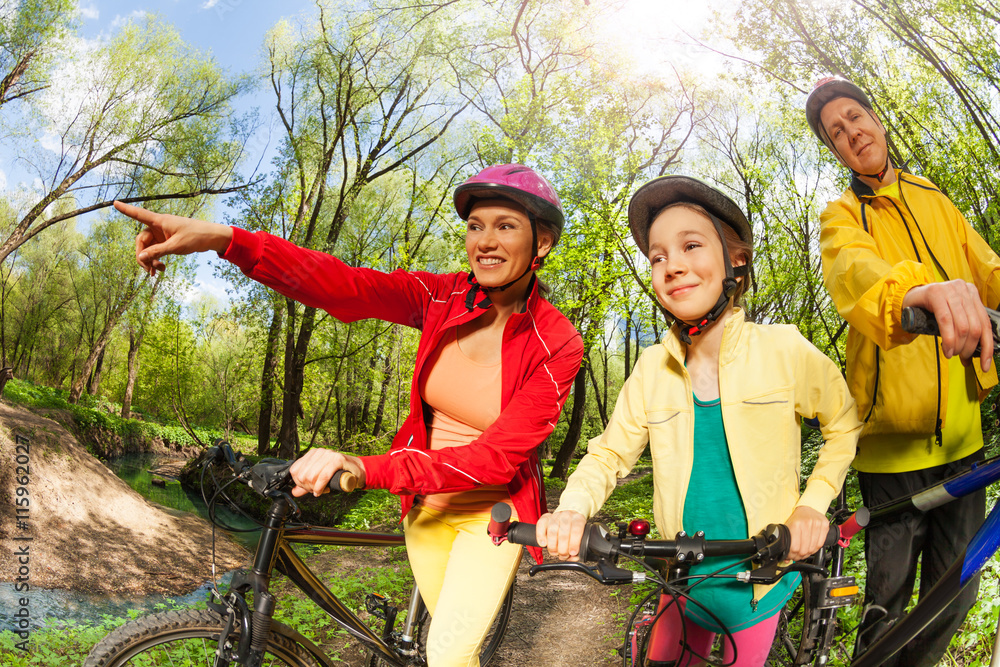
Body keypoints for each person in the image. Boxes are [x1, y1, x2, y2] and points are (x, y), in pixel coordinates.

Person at [116, 164, 584, 667]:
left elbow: (495, 459)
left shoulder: (558, 342)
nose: (485, 241)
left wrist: (366, 466)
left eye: (506, 226)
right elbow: (343, 286)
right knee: (426, 652)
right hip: (425, 508)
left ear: (542, 243)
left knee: (448, 655)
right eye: (476, 226)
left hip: (493, 517)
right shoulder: (440, 297)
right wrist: (226, 240)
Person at [535, 175, 860, 666]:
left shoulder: (785, 350)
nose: (673, 266)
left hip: (759, 586)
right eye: (658, 257)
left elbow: (844, 422)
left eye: (691, 245)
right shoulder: (650, 369)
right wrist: (572, 509)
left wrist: (814, 505)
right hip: (678, 579)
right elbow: (608, 454)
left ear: (737, 260)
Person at [805, 75, 1000, 666]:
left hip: (965, 440)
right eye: (835, 132)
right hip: (892, 453)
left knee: (955, 592)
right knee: (886, 607)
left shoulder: (935, 198)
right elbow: (856, 276)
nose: (850, 133)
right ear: (835, 150)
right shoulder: (841, 217)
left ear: (876, 119)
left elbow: (987, 270)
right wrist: (922, 290)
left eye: (854, 117)